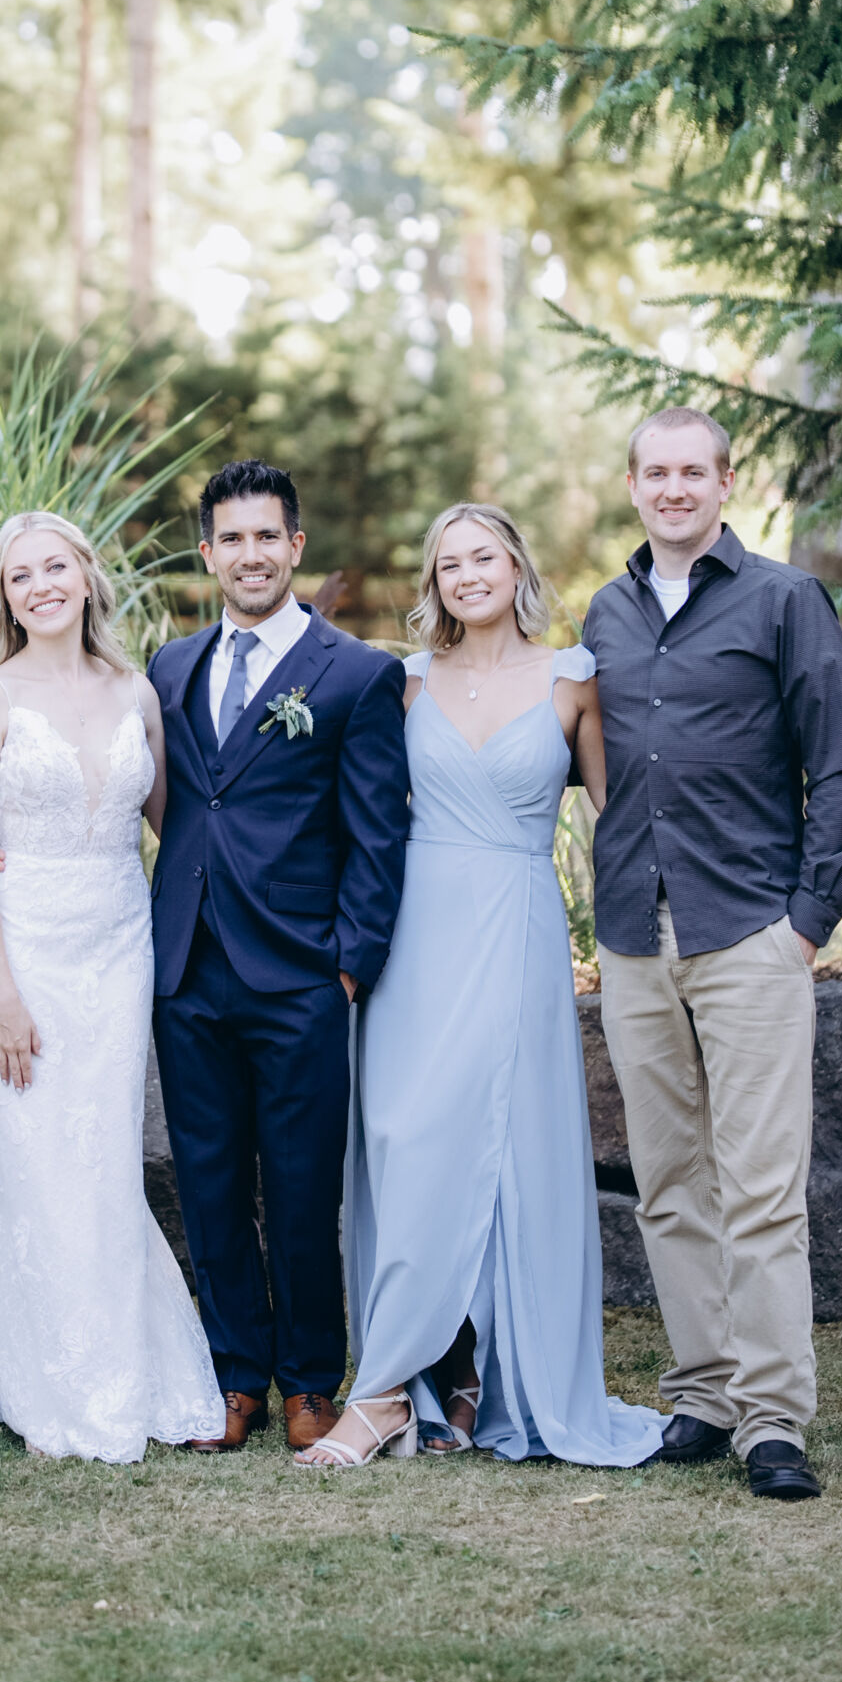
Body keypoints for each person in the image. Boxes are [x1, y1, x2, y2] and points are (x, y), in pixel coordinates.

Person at [300, 503, 665, 1471]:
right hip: (415, 932)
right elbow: (353, 811)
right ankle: (406, 1378)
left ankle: (463, 1384)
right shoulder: (405, 682)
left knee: (510, 1150)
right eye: (449, 564)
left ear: (515, 567)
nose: (467, 576)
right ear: (435, 583)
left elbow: (623, 817)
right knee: (410, 1141)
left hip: (516, 925)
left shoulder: (573, 678)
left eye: (483, 558)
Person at [585, 406, 842, 1504]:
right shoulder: (605, 612)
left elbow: (840, 770)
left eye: (691, 472)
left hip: (750, 927)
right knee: (667, 1182)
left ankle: (772, 1420)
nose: (673, 489)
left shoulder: (785, 600)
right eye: (655, 472)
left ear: (725, 482)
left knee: (761, 1186)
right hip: (634, 934)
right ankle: (704, 1392)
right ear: (632, 486)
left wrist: (807, 920)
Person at [146, 460, 410, 1456]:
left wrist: (349, 964)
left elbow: (378, 833)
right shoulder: (172, 669)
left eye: (268, 537)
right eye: (232, 539)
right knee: (208, 1179)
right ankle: (233, 1376)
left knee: (302, 1187)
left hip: (300, 971)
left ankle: (307, 1379)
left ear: (295, 547)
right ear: (207, 553)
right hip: (188, 966)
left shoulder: (356, 673)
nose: (250, 555)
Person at [0, 511, 223, 1462]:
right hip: (22, 951)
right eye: (20, 576)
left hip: (118, 947)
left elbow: (178, 831)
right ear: (5, 596)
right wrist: (2, 993)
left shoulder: (135, 690)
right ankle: (52, 1380)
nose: (41, 587)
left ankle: (127, 1366)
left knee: (103, 1157)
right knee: (34, 1157)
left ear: (86, 576)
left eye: (55, 567)